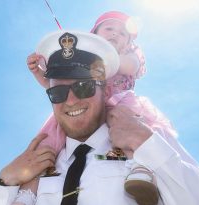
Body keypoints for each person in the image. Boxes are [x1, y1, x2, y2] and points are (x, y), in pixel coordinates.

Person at [0, 30, 199, 205]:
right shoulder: (40, 166)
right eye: (58, 92)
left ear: (107, 91)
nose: (70, 101)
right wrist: (4, 183)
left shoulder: (144, 142)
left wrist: (146, 143)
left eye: (83, 87)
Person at [23, 11, 177, 205]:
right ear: (95, 33)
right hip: (85, 104)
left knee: (125, 131)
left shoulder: (130, 54)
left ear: (129, 42)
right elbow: (58, 88)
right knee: (45, 146)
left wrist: (97, 57)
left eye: (122, 33)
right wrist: (40, 72)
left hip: (119, 103)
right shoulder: (86, 60)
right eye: (109, 28)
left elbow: (129, 66)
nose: (115, 34)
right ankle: (26, 193)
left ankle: (140, 170)